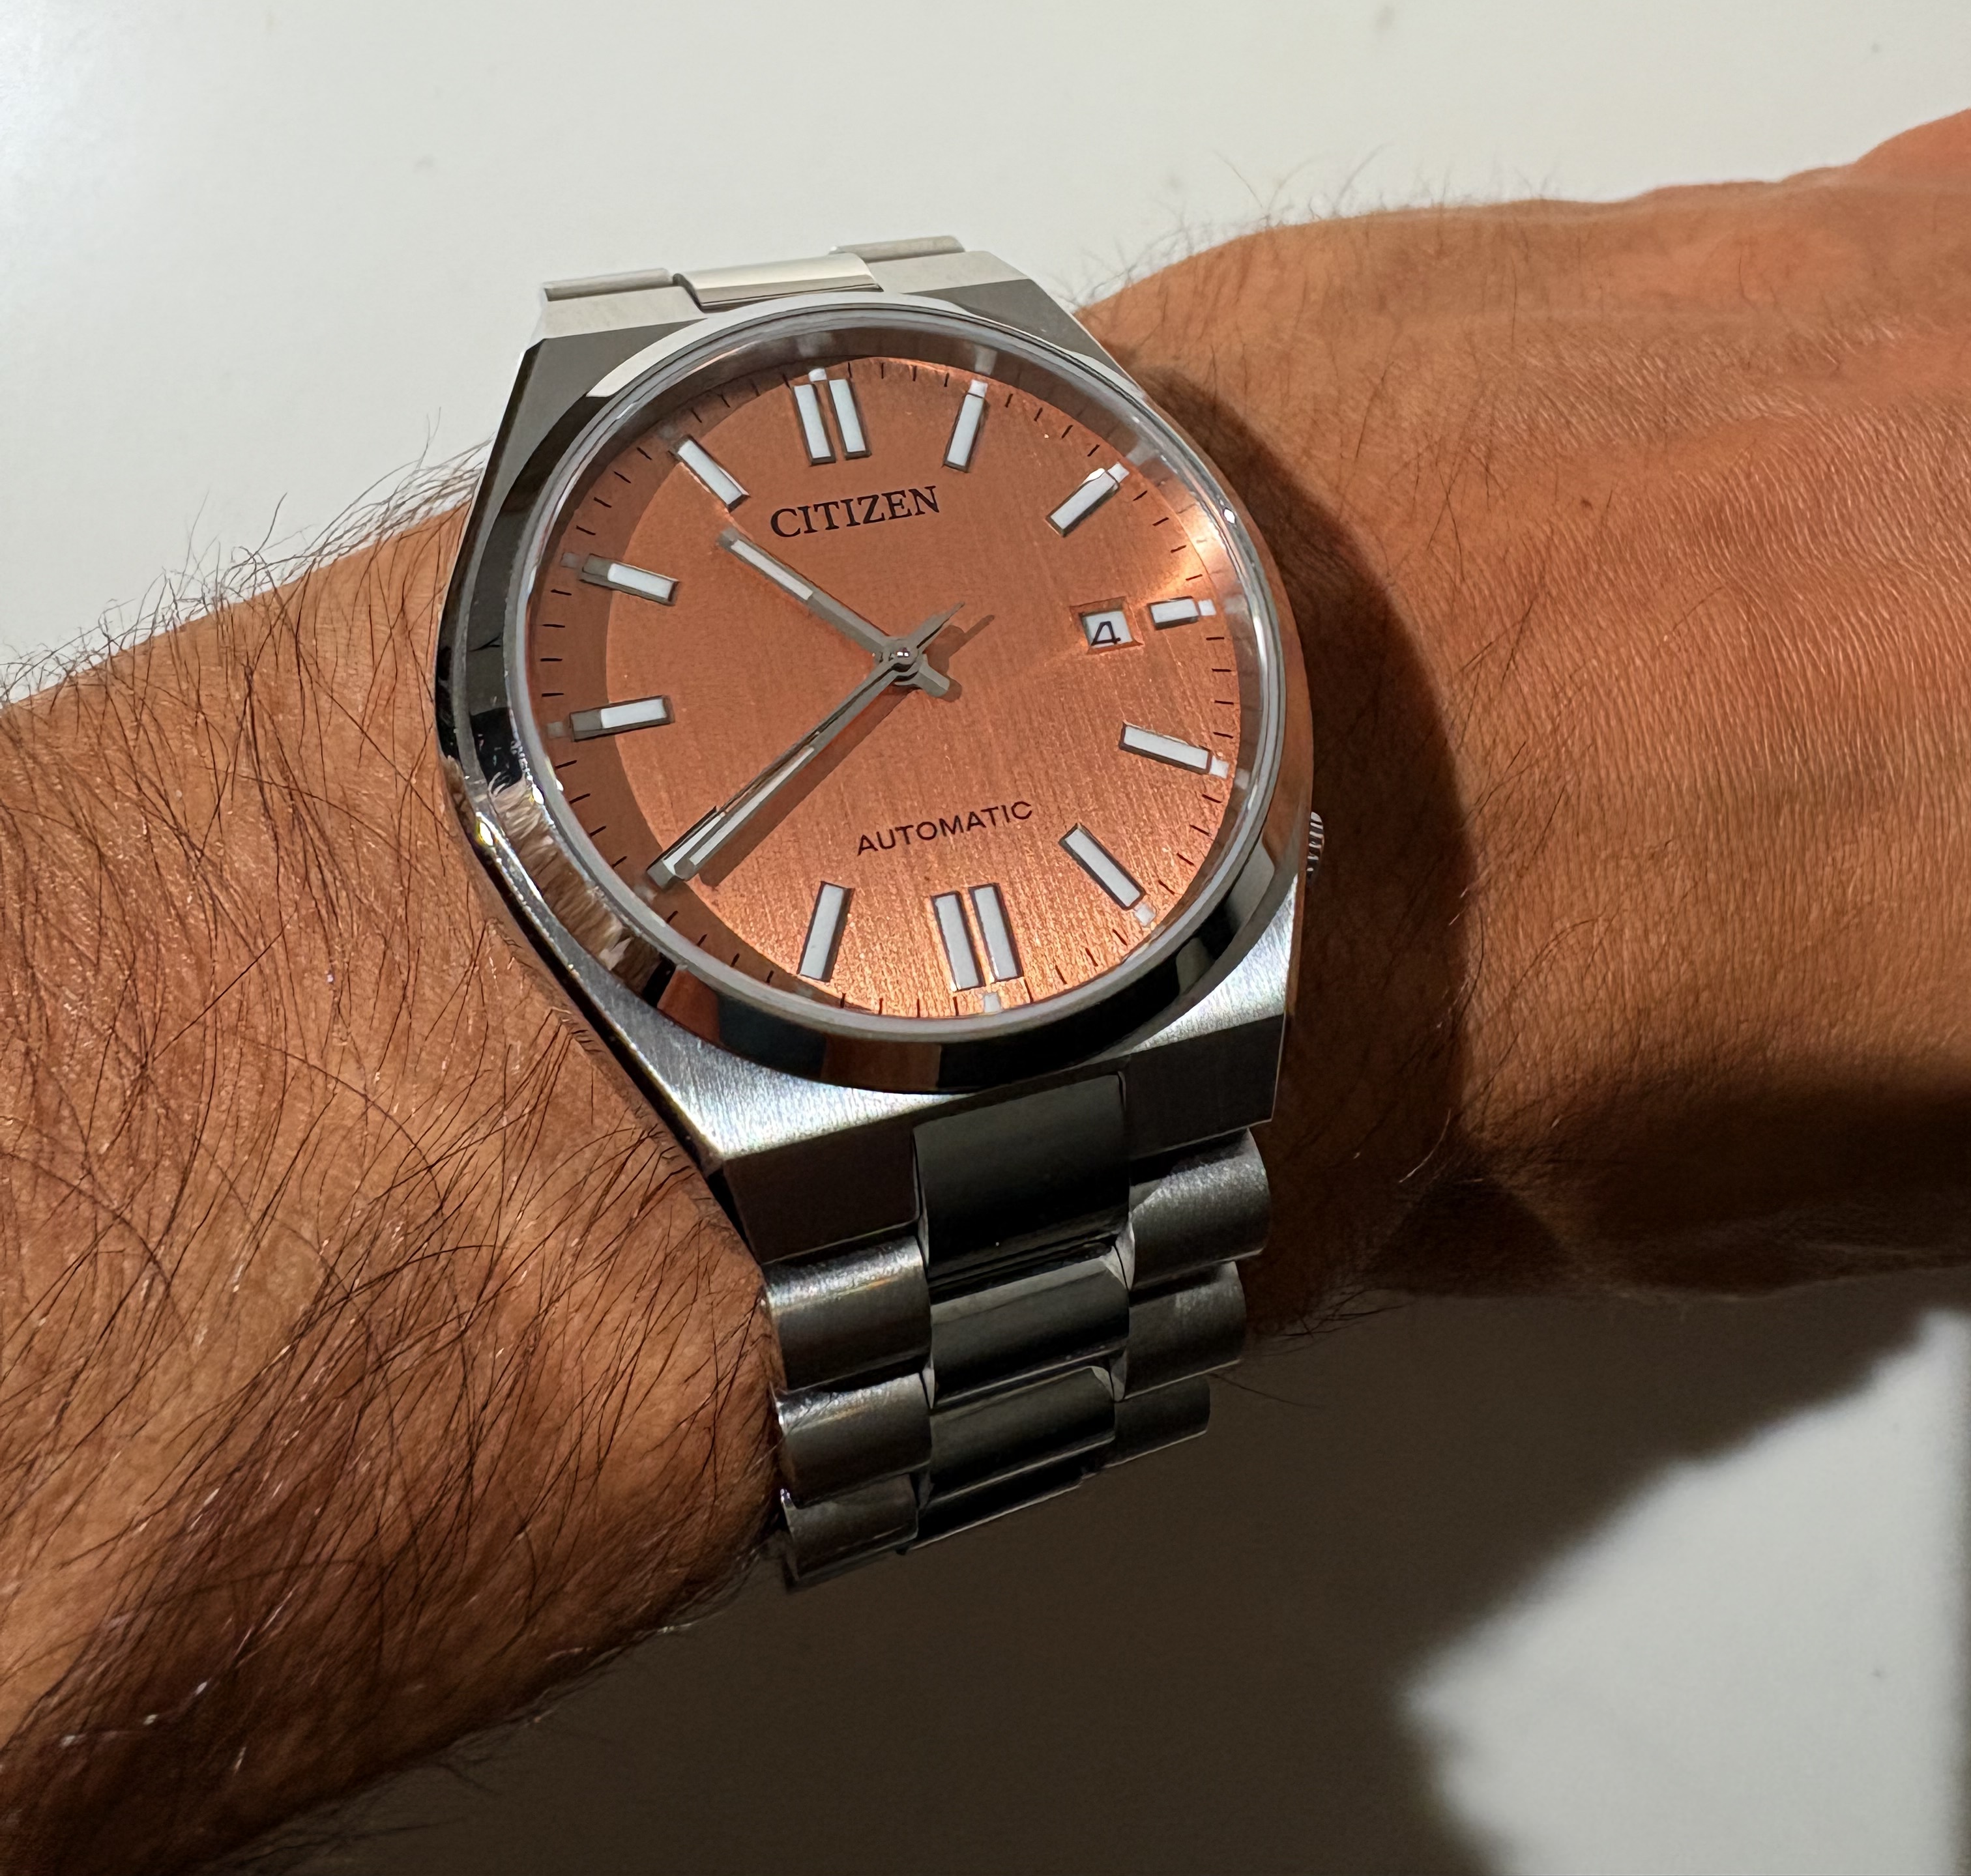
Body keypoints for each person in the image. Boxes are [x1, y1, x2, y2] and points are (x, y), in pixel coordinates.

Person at [4, 113, 1969, 1873]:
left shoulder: (1157, 626)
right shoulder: (531, 761)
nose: (905, 676)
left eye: (903, 661)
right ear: (495, 758)